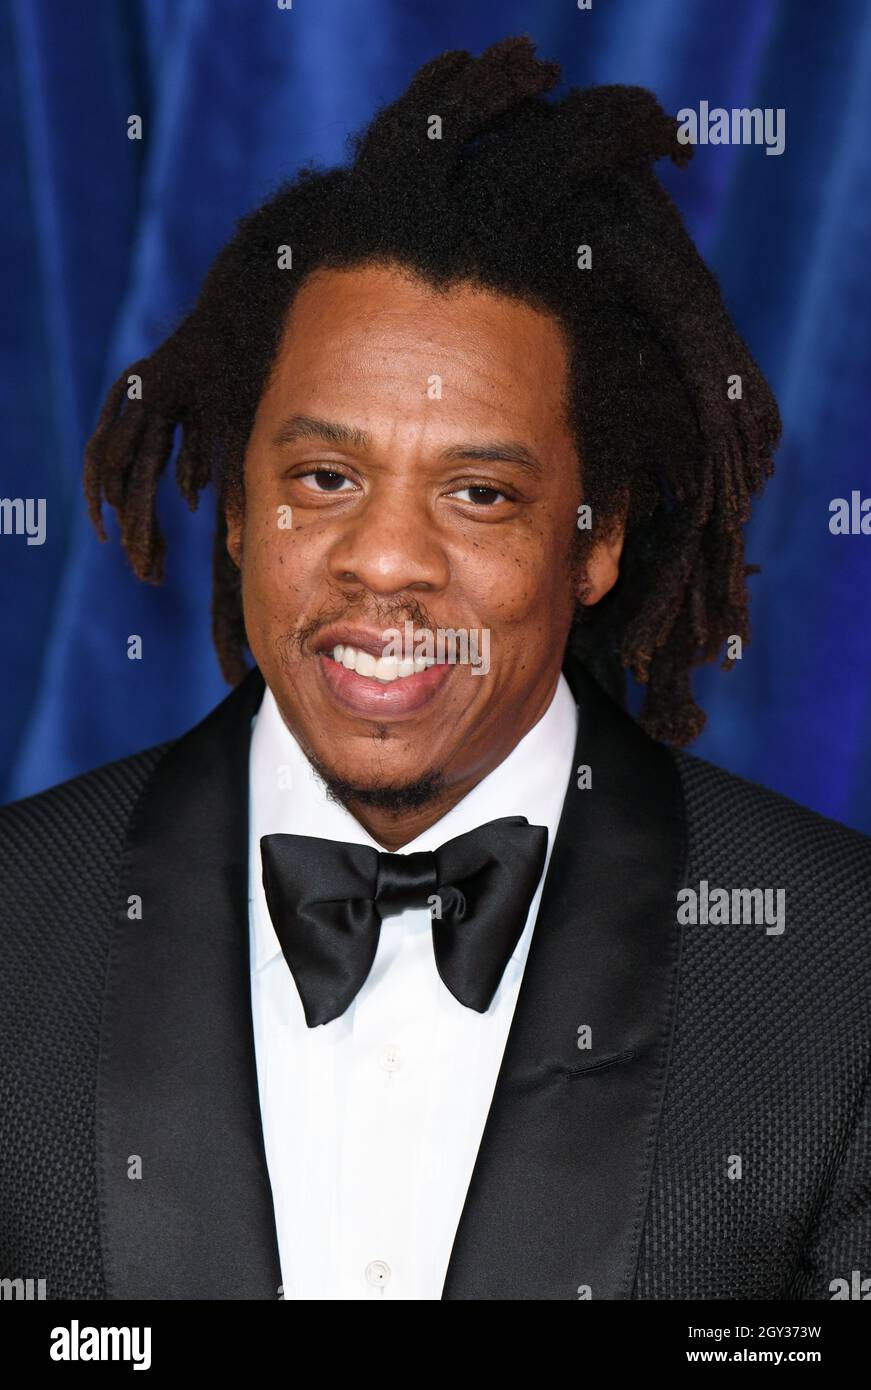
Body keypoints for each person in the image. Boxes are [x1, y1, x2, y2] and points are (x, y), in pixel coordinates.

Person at [1, 37, 869, 1302]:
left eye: (478, 492)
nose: (387, 561)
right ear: (240, 508)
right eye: (326, 479)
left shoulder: (839, 971)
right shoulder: (19, 922)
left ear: (597, 538)